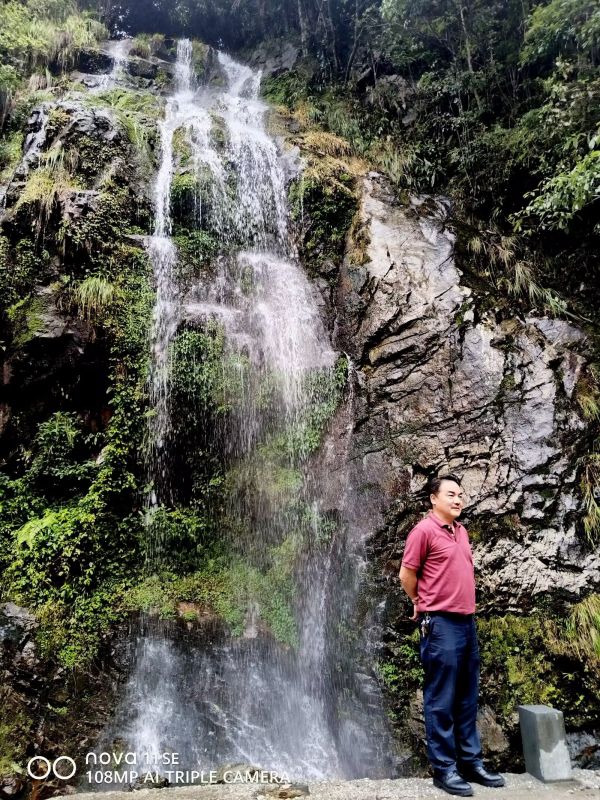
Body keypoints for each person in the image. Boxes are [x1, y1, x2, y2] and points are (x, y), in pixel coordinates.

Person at [399, 474, 505, 797]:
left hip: (466, 623)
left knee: (467, 698)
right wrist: (418, 601)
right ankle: (444, 769)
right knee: (441, 699)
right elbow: (406, 573)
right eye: (450, 494)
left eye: (460, 494)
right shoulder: (423, 531)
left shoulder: (461, 531)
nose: (458, 499)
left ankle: (471, 763)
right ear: (433, 498)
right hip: (440, 624)